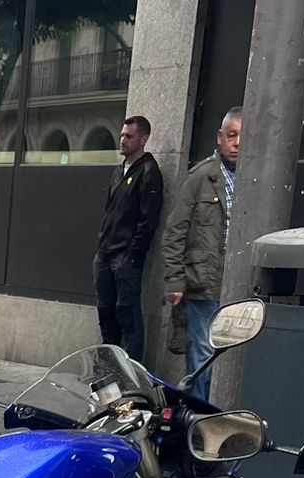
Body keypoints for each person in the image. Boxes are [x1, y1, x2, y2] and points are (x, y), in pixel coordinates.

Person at [164, 106, 241, 381]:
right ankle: (198, 419)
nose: (237, 143)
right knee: (203, 355)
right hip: (204, 285)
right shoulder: (200, 177)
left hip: (239, 286)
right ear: (220, 137)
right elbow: (175, 230)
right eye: (232, 135)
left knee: (232, 359)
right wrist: (174, 280)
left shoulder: (256, 179)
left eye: (244, 136)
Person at [94, 115, 164, 365]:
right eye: (122, 135)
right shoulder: (119, 170)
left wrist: (132, 256)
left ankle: (131, 372)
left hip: (125, 258)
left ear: (143, 139)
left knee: (128, 315)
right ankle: (109, 368)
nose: (123, 140)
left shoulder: (148, 172)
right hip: (105, 254)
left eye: (129, 136)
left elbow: (148, 221)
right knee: (106, 312)